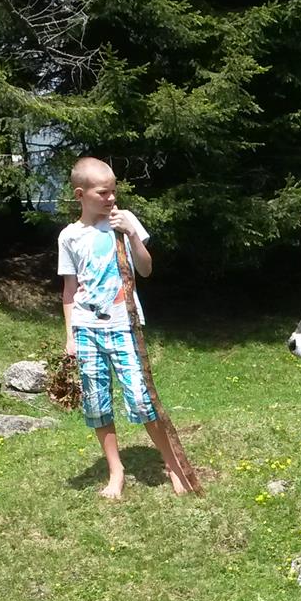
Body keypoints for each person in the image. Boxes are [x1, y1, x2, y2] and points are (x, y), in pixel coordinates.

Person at [58, 156, 189, 499]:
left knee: (142, 398)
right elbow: (70, 291)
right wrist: (70, 335)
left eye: (114, 191)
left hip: (124, 325)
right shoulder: (70, 236)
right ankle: (116, 472)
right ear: (81, 194)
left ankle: (173, 466)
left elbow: (145, 269)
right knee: (97, 403)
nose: (111, 199)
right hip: (87, 328)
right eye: (103, 193)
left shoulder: (124, 221)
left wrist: (132, 234)